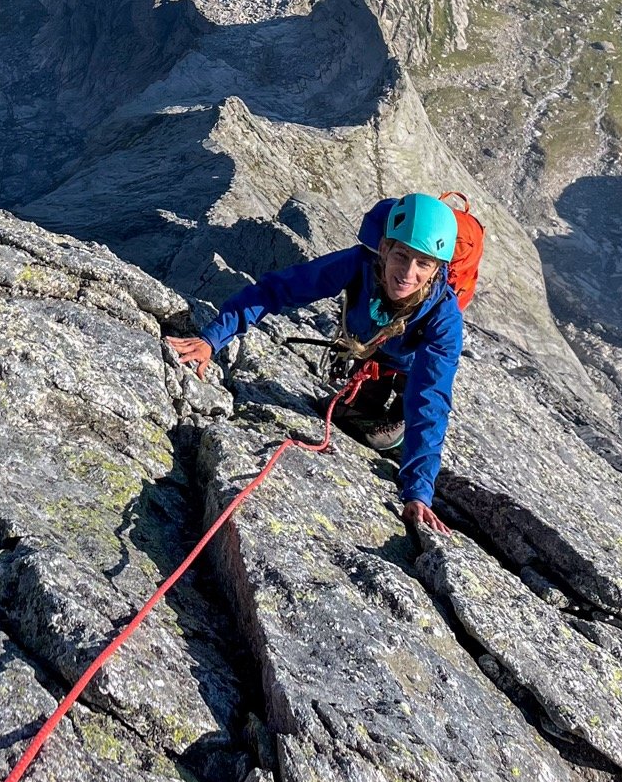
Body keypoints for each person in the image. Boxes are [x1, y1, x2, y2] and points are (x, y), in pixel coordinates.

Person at [165, 193, 463, 535]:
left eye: (422, 263)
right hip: (370, 348)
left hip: (411, 365)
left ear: (437, 269)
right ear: (383, 248)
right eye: (401, 255)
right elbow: (279, 289)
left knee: (387, 431)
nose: (407, 273)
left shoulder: (444, 319)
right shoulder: (358, 265)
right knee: (350, 413)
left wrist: (418, 492)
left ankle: (394, 420)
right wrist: (212, 338)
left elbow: (431, 399)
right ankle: (370, 389)